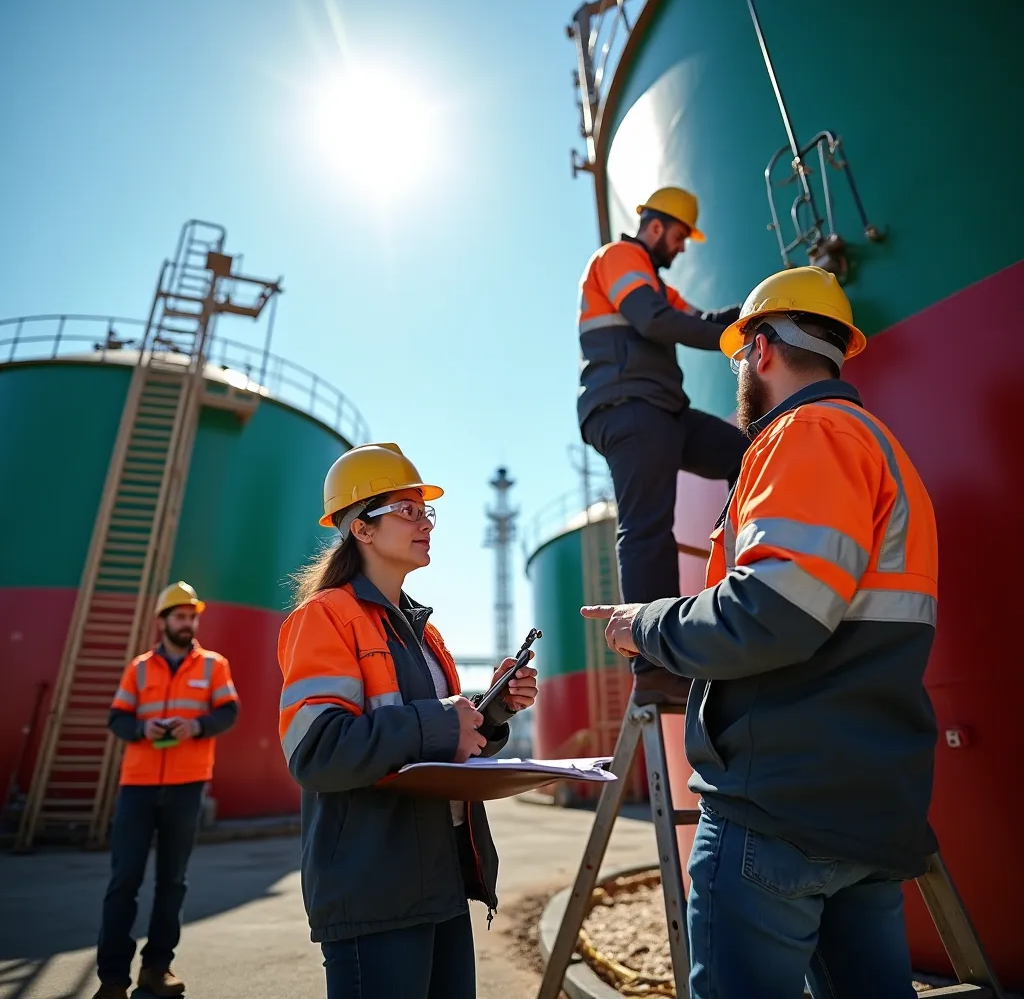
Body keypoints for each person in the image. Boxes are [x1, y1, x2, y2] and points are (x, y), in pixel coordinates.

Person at [582, 266, 939, 999]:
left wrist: (644, 624)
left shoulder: (803, 435)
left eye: (740, 354)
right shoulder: (884, 449)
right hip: (867, 802)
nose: (740, 368)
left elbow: (771, 614)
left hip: (779, 802)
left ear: (764, 348)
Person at [278, 442, 538, 999]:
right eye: (407, 510)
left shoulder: (424, 632)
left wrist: (493, 711)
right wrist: (442, 721)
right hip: (374, 889)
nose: (426, 524)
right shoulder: (324, 618)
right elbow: (317, 751)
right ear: (361, 529)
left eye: (427, 511)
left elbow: (440, 740)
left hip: (441, 879)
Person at [576, 186, 749, 704]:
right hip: (629, 407)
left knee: (745, 454)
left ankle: (746, 571)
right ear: (655, 227)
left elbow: (701, 321)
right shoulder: (618, 257)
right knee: (648, 529)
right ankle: (652, 666)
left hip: (663, 412)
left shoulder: (652, 282)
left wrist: (753, 316)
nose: (681, 247)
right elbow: (654, 322)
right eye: (678, 236)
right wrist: (731, 335)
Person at [93, 582, 240, 999]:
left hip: (187, 785)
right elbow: (118, 718)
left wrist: (197, 725)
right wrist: (143, 729)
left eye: (192, 616)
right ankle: (113, 980)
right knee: (124, 881)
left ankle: (157, 969)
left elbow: (229, 711)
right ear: (163, 621)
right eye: (180, 616)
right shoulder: (139, 668)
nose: (187, 622)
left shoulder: (214, 666)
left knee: (172, 881)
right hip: (137, 786)